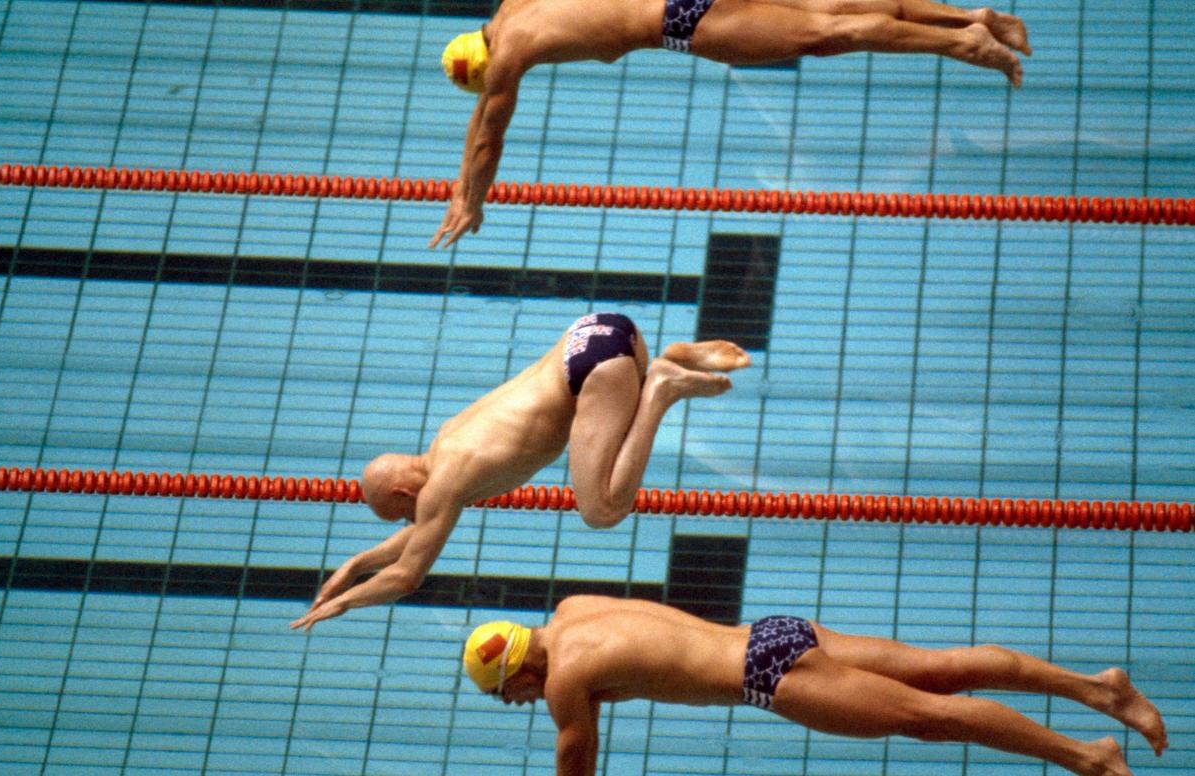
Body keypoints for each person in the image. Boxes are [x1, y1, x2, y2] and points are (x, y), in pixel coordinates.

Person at [430, 0, 1032, 248]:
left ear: (485, 71)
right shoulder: (512, 10)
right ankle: (972, 16)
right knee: (833, 9)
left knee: (828, 35)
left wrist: (468, 199)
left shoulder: (509, 54)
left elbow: (489, 133)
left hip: (680, 19)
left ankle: (966, 45)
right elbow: (485, 112)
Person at [289, 314, 751, 631]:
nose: (411, 523)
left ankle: (662, 388)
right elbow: (416, 537)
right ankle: (663, 357)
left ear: (402, 490)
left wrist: (343, 602)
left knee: (602, 509)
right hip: (601, 333)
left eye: (401, 513)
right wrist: (353, 566)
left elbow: (408, 574)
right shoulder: (447, 441)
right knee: (606, 449)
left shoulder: (442, 486)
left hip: (595, 372)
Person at [462, 595, 1169, 776]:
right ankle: (1098, 689)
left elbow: (572, 761)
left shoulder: (566, 681)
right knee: (946, 666)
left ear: (520, 672)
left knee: (930, 717)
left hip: (766, 674)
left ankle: (1089, 757)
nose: (520, 703)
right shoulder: (572, 613)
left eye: (507, 695)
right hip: (774, 631)